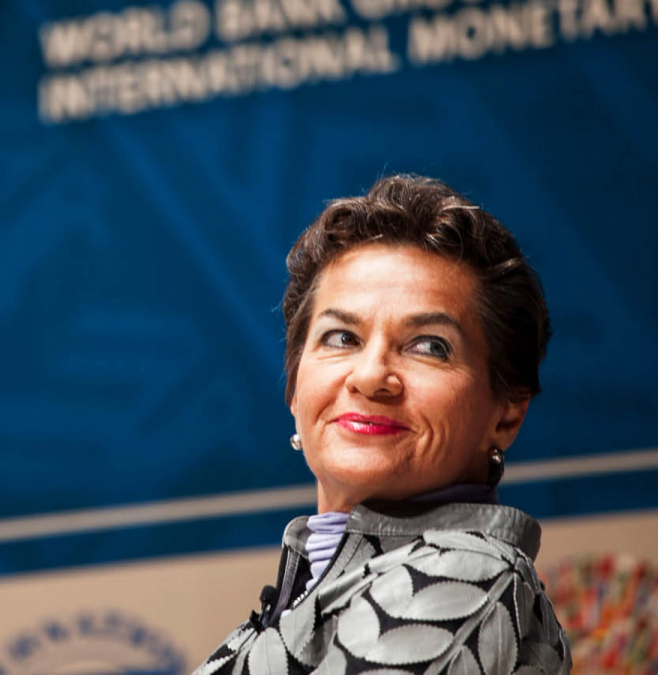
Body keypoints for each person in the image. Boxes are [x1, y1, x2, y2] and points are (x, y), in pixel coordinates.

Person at [193, 175, 571, 674]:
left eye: (430, 346)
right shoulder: (307, 593)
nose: (371, 376)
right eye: (342, 338)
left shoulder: (465, 577)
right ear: (294, 390)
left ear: (506, 413)